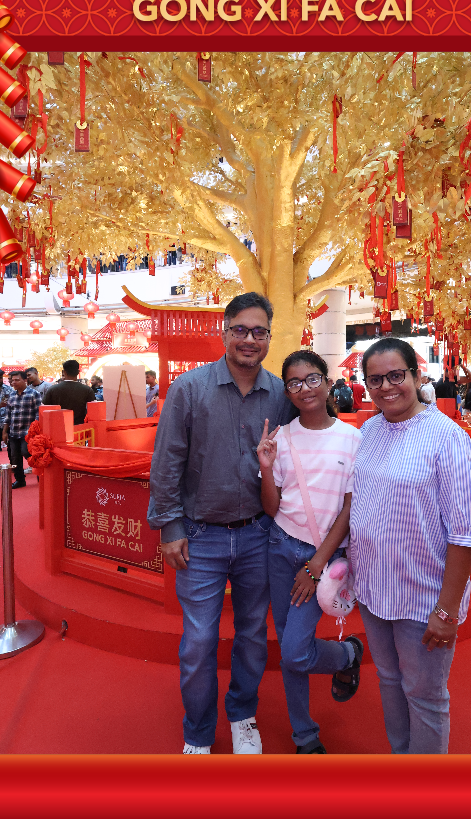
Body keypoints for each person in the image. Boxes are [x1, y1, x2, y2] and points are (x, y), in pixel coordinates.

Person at [147, 291, 296, 755]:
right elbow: (167, 461)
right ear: (224, 332)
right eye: (241, 330)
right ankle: (197, 732)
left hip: (259, 536)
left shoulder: (281, 394)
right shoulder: (190, 389)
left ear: (269, 337)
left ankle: (242, 714)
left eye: (259, 332)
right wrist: (169, 527)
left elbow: (304, 451)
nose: (250, 339)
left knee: (252, 634)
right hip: (200, 537)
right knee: (198, 641)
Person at [350, 337, 471, 754]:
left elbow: (465, 533)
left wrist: (446, 611)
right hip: (373, 589)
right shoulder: (369, 429)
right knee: (389, 680)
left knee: (425, 695)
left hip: (423, 597)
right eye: (376, 380)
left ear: (416, 375)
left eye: (396, 376)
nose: (386, 387)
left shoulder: (448, 437)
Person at [257, 350, 364, 754]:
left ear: (328, 382)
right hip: (280, 547)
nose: (305, 388)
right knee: (290, 648)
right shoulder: (281, 437)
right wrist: (266, 466)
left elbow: (350, 509)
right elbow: (272, 508)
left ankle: (346, 653)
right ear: (287, 391)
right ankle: (304, 734)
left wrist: (317, 564)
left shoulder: (352, 438)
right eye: (295, 383)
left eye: (313, 379)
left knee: (294, 651)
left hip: (322, 555)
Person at [2, 370, 41, 488]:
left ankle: (41, 474)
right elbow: (8, 414)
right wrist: (5, 431)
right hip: (14, 432)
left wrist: (35, 431)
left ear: (25, 380)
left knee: (27, 452)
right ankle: (20, 480)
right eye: (12, 380)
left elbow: (38, 413)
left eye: (17, 380)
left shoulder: (34, 394)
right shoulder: (11, 395)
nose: (13, 382)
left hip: (28, 432)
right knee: (14, 458)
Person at [42, 359, 96, 424]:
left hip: (58, 426)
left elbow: (43, 409)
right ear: (78, 372)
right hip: (80, 427)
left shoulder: (53, 389)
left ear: (64, 372)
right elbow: (94, 411)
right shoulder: (87, 390)